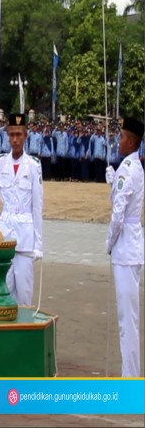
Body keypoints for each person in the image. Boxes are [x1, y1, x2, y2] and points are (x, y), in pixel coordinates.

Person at [104, 117, 144, 377]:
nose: (118, 141)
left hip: (126, 248)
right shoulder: (130, 167)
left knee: (126, 321)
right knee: (127, 319)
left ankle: (129, 378)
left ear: (130, 141)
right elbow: (122, 198)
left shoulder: (129, 169)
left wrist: (108, 242)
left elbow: (118, 214)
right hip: (131, 245)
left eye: (121, 137)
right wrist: (112, 181)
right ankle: (128, 374)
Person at [0, 113, 43, 307]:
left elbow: (37, 207)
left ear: (26, 135)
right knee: (4, 292)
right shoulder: (0, 164)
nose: (15, 140)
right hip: (4, 235)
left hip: (25, 238)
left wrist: (38, 244)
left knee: (24, 294)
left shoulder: (33, 166)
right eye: (12, 134)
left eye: (19, 135)